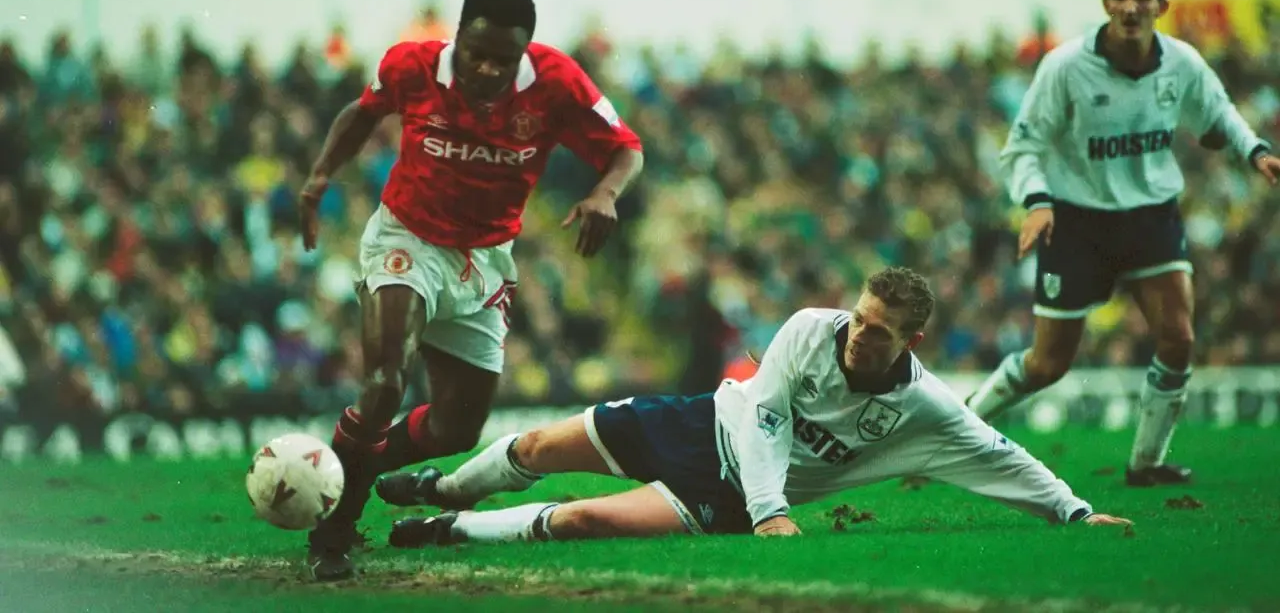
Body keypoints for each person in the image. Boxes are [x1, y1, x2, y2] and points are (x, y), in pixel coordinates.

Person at [375, 267, 1129, 547]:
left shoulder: (923, 408)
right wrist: (776, 511)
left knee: (583, 520)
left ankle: (447, 528)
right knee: (538, 446)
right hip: (701, 421)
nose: (858, 334)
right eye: (859, 317)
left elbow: (996, 454)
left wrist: (1073, 511)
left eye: (878, 331)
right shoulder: (809, 330)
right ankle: (443, 485)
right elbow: (764, 413)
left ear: (912, 339)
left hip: (725, 496)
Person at [298, 0, 644, 579]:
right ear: (457, 35)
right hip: (406, 239)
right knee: (385, 381)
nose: (486, 68)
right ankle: (335, 529)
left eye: (503, 60)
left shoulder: (558, 83)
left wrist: (605, 193)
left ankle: (349, 463)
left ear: (525, 53)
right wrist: (321, 174)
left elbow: (626, 148)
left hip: (483, 259)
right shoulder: (412, 66)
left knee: (457, 428)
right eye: (475, 52)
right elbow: (364, 112)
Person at [966, 0, 1278, 486]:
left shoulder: (1181, 62)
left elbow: (1219, 112)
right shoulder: (1065, 66)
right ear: (1106, 2)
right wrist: (1038, 202)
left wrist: (1254, 151)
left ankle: (1146, 463)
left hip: (1149, 217)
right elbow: (1024, 145)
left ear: (1162, 4)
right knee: (1047, 365)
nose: (1131, 6)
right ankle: (958, 427)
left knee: (1178, 336)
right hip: (1076, 222)